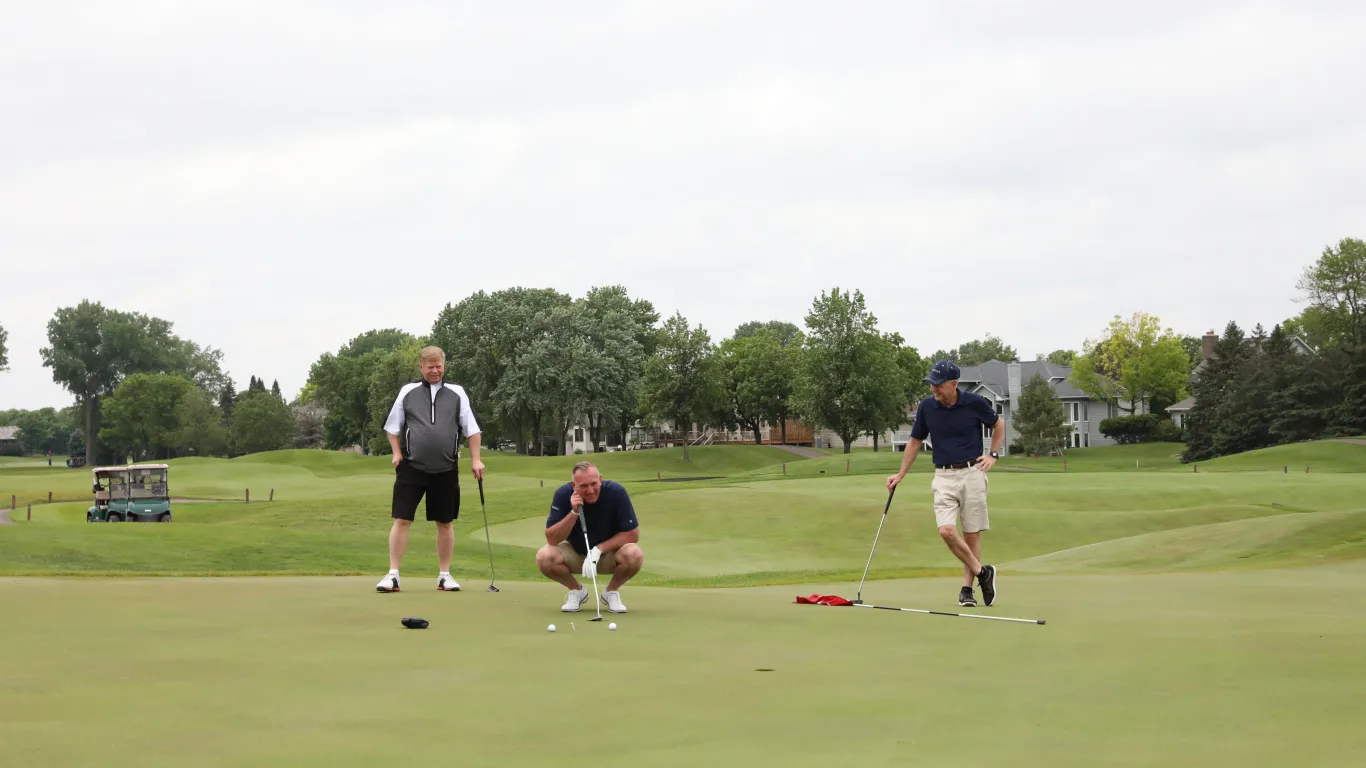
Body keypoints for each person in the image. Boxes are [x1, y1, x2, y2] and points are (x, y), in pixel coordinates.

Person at [886, 360, 1001, 607]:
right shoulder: (927, 407)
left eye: (938, 385)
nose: (934, 389)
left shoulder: (975, 403)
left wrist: (993, 454)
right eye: (931, 385)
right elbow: (915, 441)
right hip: (943, 476)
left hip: (973, 473)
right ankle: (983, 573)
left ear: (953, 384)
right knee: (946, 531)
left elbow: (998, 424)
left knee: (971, 535)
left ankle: (967, 590)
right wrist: (900, 474)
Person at [375, 346, 484, 593]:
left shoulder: (457, 393)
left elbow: (472, 429)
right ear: (421, 367)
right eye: (430, 366)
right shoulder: (408, 392)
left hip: (446, 467)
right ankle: (393, 574)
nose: (435, 371)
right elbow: (392, 428)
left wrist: (475, 460)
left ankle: (444, 575)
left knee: (444, 521)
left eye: (439, 366)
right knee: (402, 519)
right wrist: (396, 453)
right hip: (411, 466)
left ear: (444, 365)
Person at [535, 461, 644, 613]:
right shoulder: (562, 494)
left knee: (634, 554)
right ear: (574, 486)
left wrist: (599, 550)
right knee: (544, 557)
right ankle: (576, 591)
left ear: (600, 479)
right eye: (583, 486)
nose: (590, 490)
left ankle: (611, 592)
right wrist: (574, 512)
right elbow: (552, 539)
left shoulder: (616, 492)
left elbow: (633, 534)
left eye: (594, 483)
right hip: (576, 553)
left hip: (609, 555)